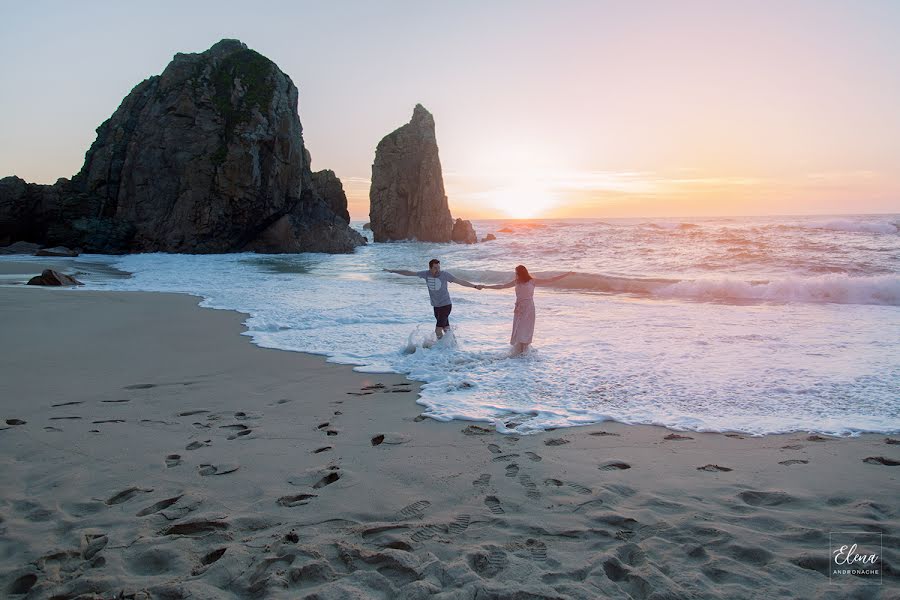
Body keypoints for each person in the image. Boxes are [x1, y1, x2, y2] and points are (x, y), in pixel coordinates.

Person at [482, 265, 573, 356]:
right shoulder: (517, 282)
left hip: (529, 308)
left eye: (516, 272)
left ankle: (524, 352)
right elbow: (501, 286)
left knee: (526, 328)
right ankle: (520, 352)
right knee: (519, 328)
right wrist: (485, 287)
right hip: (519, 308)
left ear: (520, 273)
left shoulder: (532, 281)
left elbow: (551, 279)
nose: (515, 274)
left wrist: (566, 275)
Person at [383, 259, 483, 339]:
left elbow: (460, 281)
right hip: (436, 306)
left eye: (438, 267)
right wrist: (392, 271)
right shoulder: (426, 274)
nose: (437, 270)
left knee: (438, 330)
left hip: (445, 305)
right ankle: (453, 346)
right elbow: (409, 273)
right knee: (446, 328)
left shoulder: (445, 274)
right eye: (435, 268)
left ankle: (440, 349)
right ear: (430, 268)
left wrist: (474, 286)